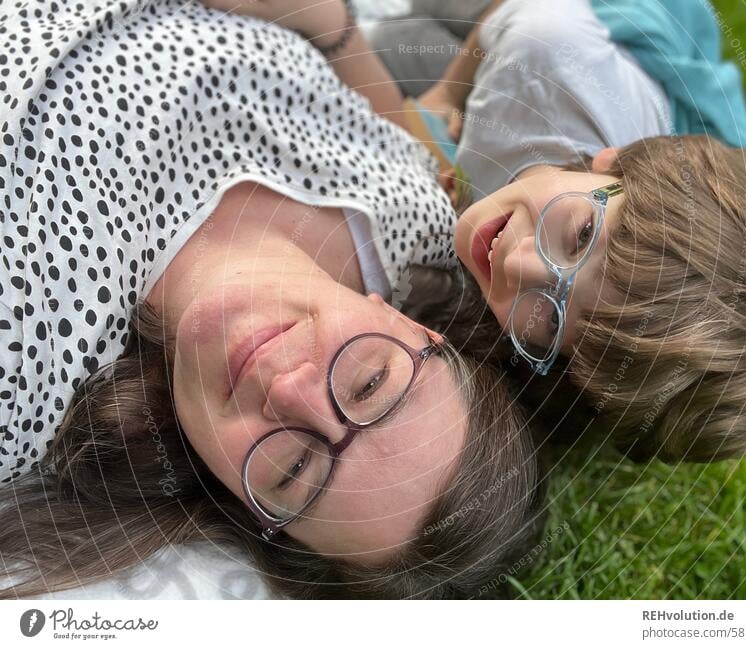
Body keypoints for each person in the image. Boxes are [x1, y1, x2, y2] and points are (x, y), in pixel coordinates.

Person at [0, 0, 547, 599]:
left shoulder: (24, 376)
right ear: (413, 328)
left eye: (295, 471)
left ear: (249, 510)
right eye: (369, 386)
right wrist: (331, 25)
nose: (290, 390)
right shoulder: (412, 220)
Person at [372, 0, 746, 462]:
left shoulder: (588, 357)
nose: (516, 264)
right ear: (614, 161)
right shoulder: (548, 62)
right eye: (579, 235)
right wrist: (445, 98)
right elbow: (515, 16)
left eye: (553, 319)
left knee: (390, 45)